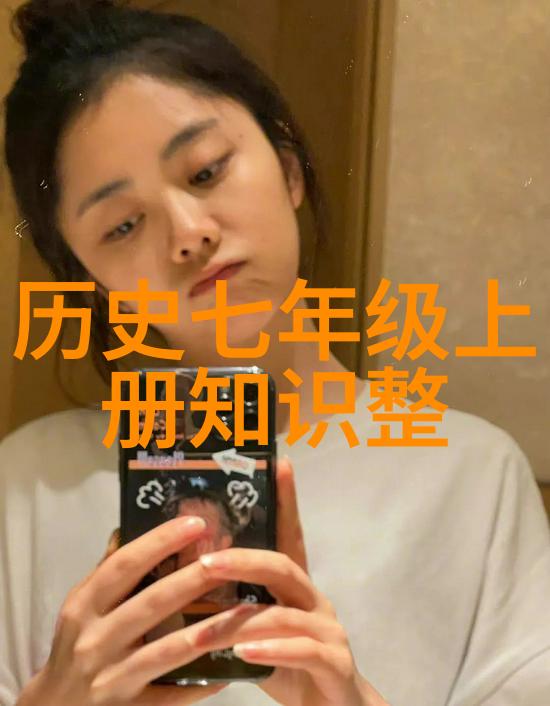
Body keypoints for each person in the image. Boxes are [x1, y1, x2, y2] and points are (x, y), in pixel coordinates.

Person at [1, 2, 549, 706]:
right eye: (124, 225)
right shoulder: (28, 485)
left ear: (289, 168)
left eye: (205, 172)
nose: (188, 234)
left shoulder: (472, 476)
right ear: (89, 279)